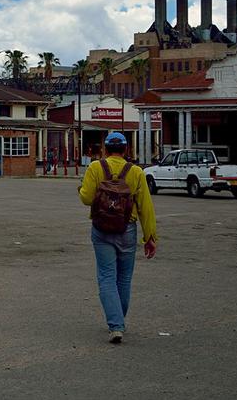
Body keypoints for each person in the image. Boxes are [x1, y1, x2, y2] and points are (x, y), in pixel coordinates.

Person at [78, 132, 157, 343]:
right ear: (126, 149)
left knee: (106, 277)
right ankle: (118, 320)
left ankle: (116, 325)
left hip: (101, 228)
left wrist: (84, 191)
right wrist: (150, 237)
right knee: (124, 279)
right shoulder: (137, 172)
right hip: (127, 229)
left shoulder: (95, 168)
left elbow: (86, 198)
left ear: (105, 149)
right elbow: (146, 207)